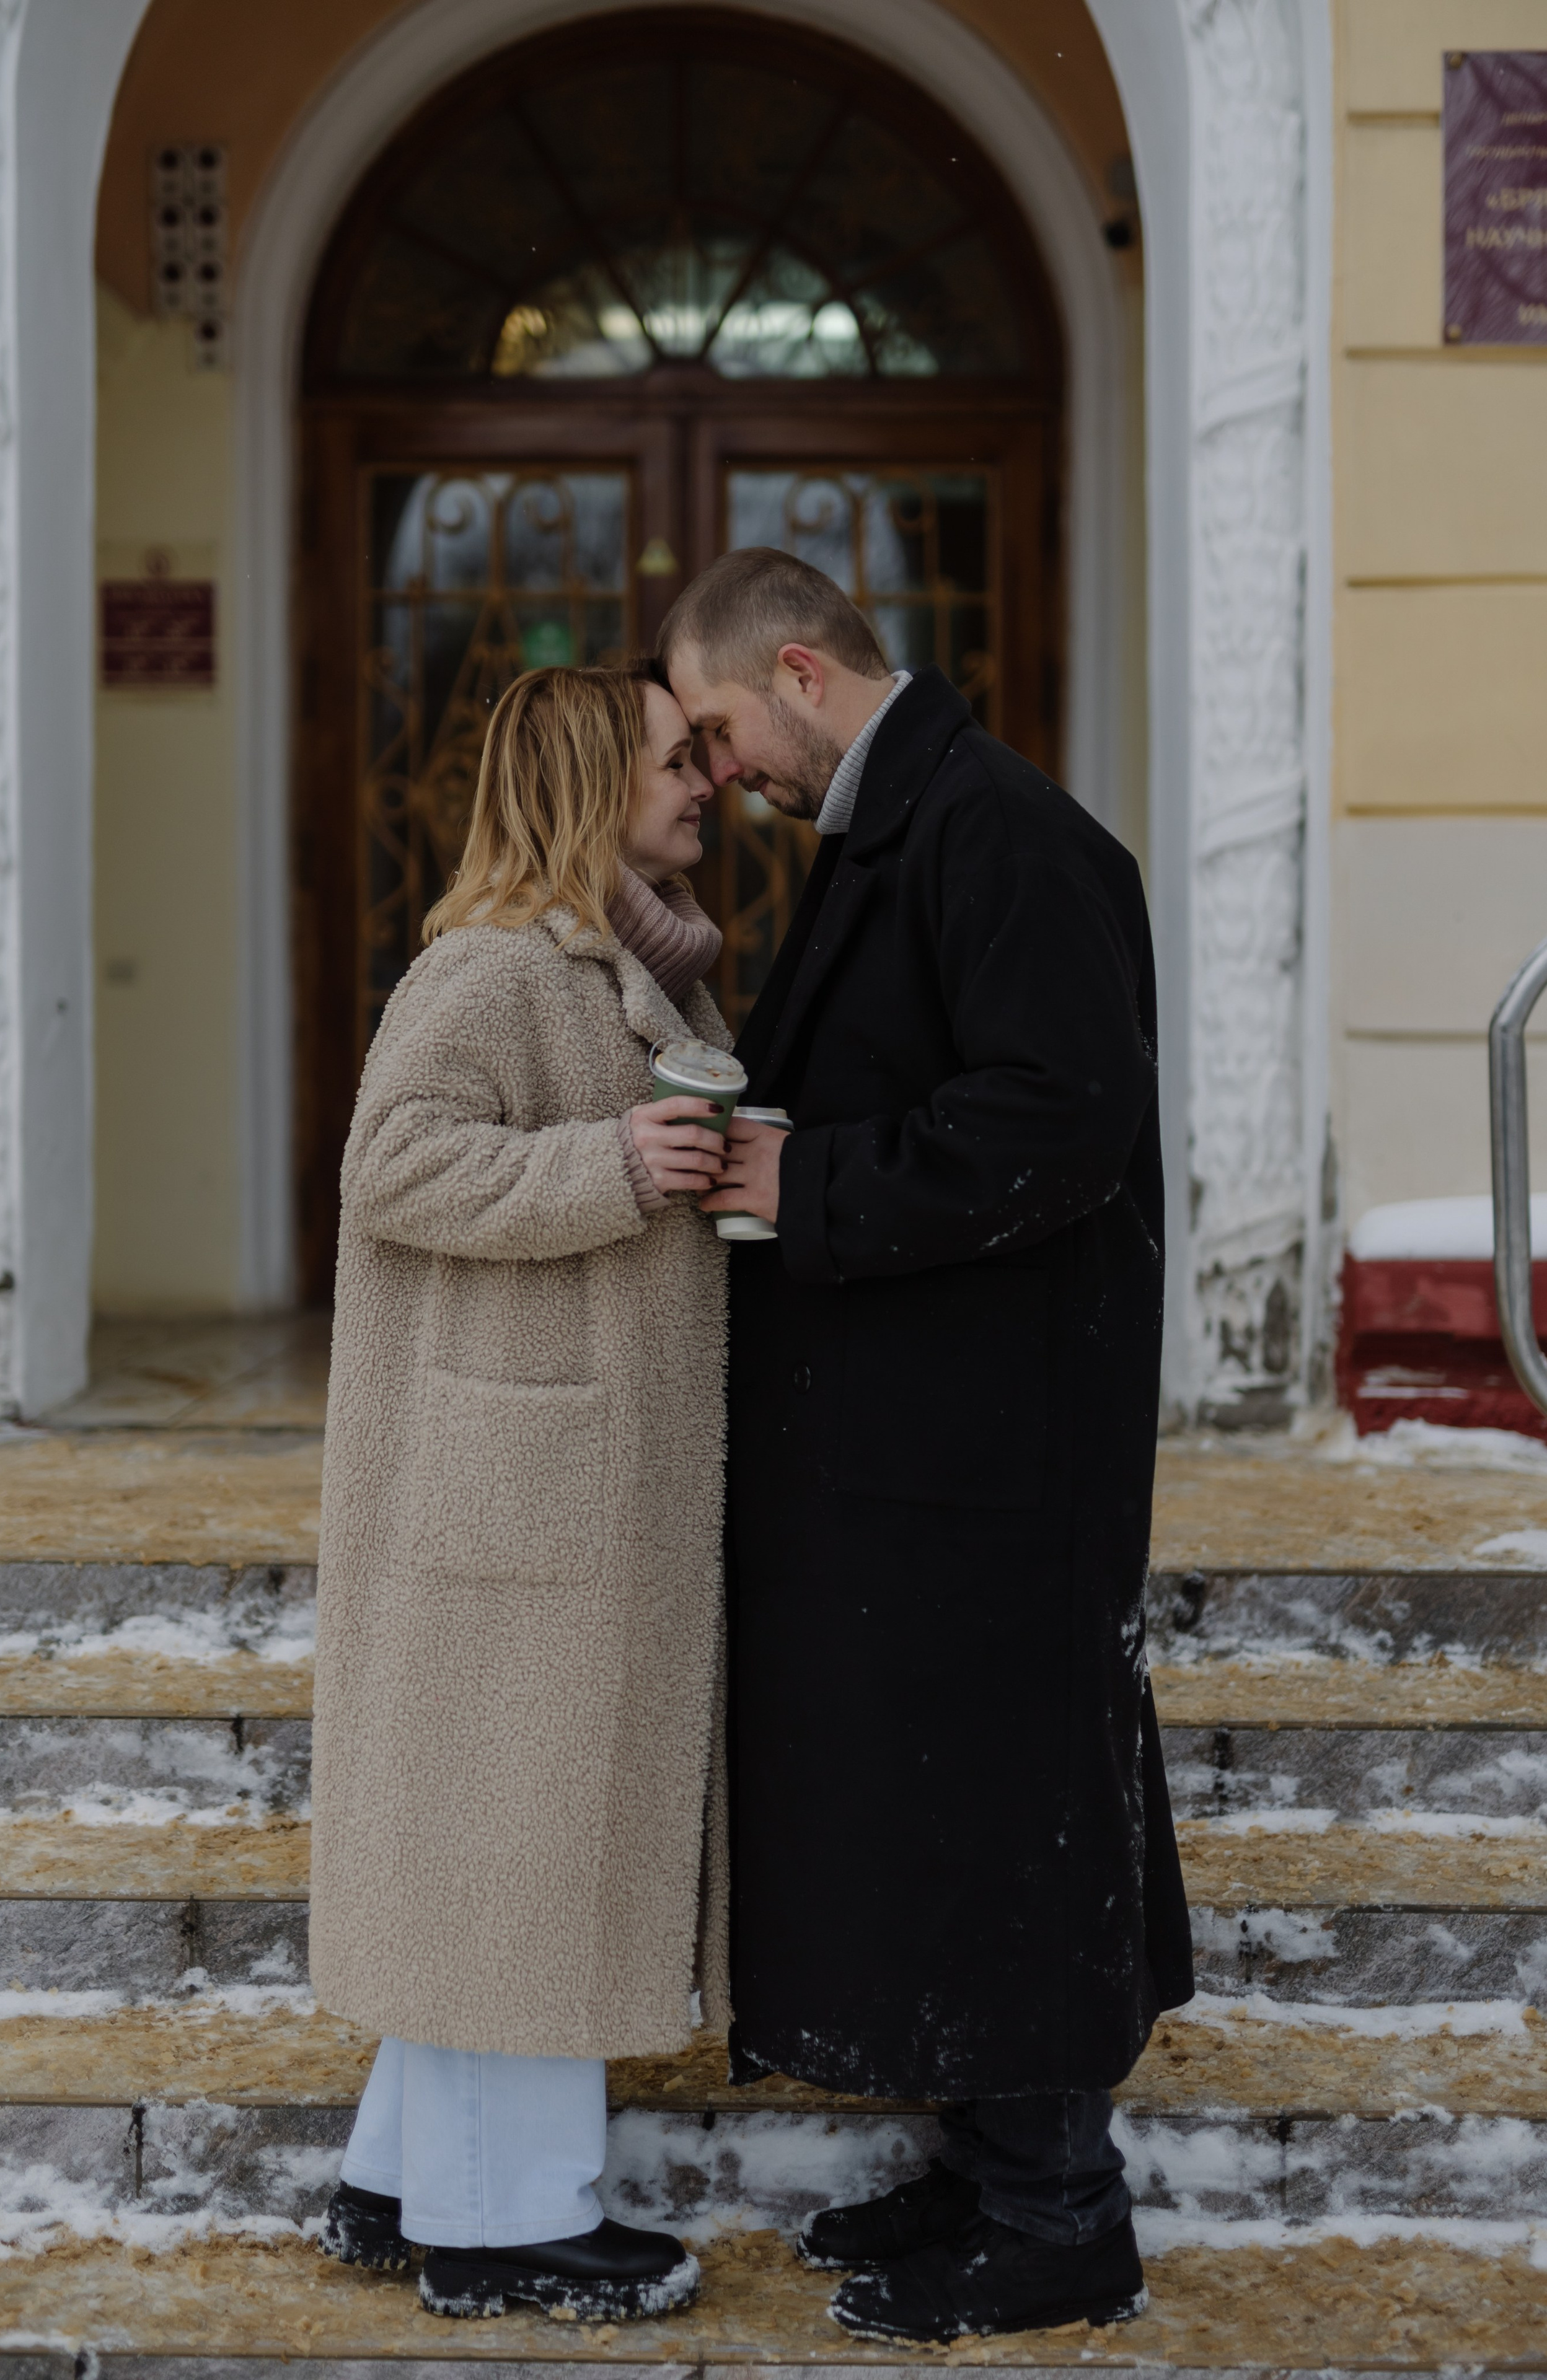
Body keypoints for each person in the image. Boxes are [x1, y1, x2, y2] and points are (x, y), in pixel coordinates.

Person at [661, 550, 1194, 2345]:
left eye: (727, 730)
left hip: (1000, 1458)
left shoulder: (1006, 832)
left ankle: (1059, 2213)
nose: (725, 772)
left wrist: (802, 1175)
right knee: (945, 1809)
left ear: (800, 669)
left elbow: (1064, 1113)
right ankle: (984, 2167)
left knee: (1001, 1816)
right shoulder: (916, 826)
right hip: (932, 1446)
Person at [309, 660, 736, 2323]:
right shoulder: (490, 966)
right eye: (668, 759)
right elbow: (391, 1161)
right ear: (582, 782)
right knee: (524, 1850)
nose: (700, 780)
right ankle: (504, 2226)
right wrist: (613, 1168)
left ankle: (396, 2174)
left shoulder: (636, 975)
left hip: (570, 1488)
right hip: (515, 1498)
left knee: (508, 1834)